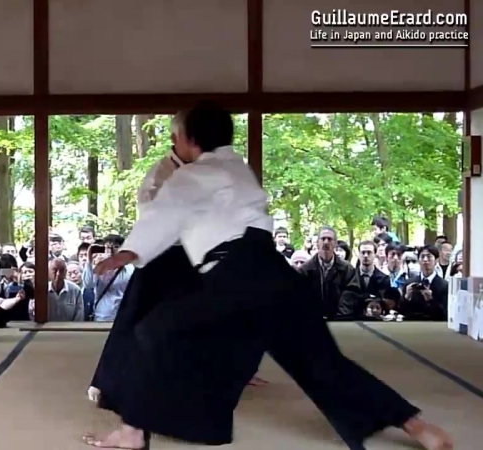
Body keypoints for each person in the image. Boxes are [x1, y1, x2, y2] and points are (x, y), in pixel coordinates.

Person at [83, 103, 451, 450]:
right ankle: (417, 426)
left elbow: (162, 214)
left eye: (176, 136)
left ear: (191, 140)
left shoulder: (193, 174)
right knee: (322, 362)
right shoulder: (237, 167)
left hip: (234, 274)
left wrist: (127, 253)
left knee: (153, 330)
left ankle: (132, 431)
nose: (173, 144)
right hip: (275, 273)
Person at [87, 112, 266, 410]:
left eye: (178, 136)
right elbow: (154, 214)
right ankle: (113, 385)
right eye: (174, 137)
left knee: (233, 317)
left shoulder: (225, 167)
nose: (174, 141)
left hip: (208, 256)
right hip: (165, 254)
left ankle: (232, 373)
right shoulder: (164, 171)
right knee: (141, 321)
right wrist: (130, 251)